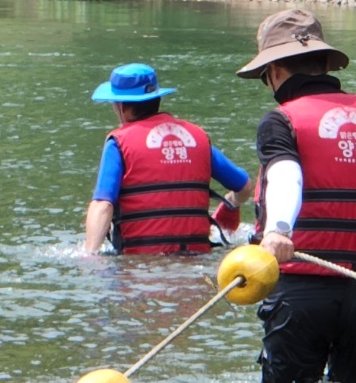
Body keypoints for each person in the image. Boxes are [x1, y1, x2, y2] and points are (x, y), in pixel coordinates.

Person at [236, 9, 356, 383]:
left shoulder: (282, 120)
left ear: (275, 71)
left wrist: (278, 230)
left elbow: (285, 175)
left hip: (302, 289)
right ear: (326, 64)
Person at [83, 62, 254, 255]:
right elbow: (245, 187)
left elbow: (103, 205)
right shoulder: (196, 137)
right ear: (156, 99)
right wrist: (231, 203)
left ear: (122, 107)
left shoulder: (118, 143)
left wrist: (90, 256)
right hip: (196, 262)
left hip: (140, 267)